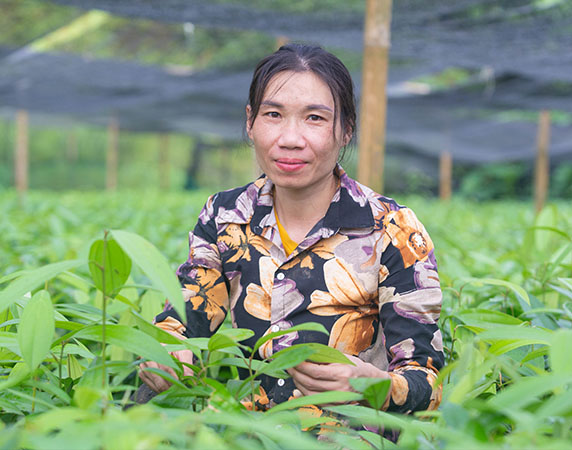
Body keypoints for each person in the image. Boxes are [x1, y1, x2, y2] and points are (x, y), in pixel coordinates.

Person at [140, 43, 443, 414]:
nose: (290, 138)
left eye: (314, 118)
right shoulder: (226, 217)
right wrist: (168, 354)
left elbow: (428, 383)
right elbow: (184, 320)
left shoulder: (391, 229)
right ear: (250, 122)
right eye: (274, 115)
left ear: (345, 130)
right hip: (245, 432)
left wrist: (373, 384)